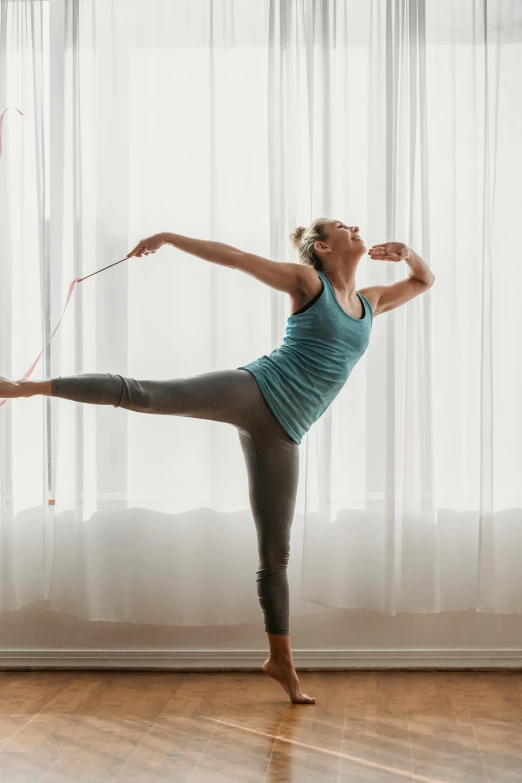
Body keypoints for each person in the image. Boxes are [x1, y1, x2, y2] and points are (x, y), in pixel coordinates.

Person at [0, 220, 435, 703]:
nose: (355, 227)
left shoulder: (369, 304)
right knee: (146, 395)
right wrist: (170, 236)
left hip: (286, 435)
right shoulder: (309, 283)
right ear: (323, 248)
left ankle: (282, 663)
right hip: (253, 392)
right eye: (341, 226)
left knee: (276, 554)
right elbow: (235, 259)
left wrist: (408, 252)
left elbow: (423, 281)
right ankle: (24, 387)